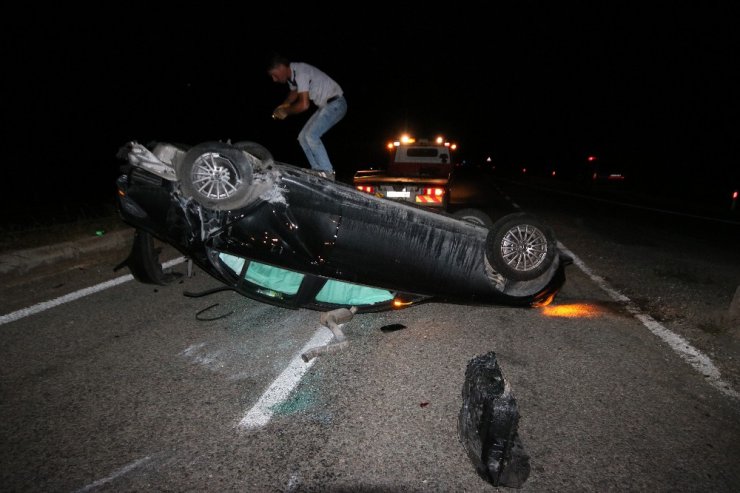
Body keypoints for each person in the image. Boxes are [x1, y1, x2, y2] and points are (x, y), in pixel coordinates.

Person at [267, 53, 347, 181]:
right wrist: (284, 105)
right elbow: (294, 91)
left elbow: (304, 105)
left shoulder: (301, 72)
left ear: (281, 67)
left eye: (274, 75)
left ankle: (327, 172)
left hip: (336, 104)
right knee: (302, 137)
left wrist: (286, 112)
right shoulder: (292, 76)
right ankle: (317, 170)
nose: (274, 79)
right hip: (326, 106)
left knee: (311, 135)